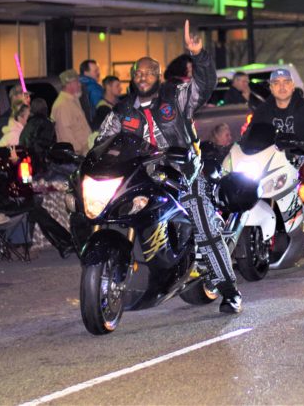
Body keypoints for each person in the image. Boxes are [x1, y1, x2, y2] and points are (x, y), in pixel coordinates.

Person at [96, 21, 241, 313]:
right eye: (138, 72)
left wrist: (199, 56)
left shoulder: (176, 96)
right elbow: (102, 143)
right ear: (132, 77)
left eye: (150, 72)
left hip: (184, 174)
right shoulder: (122, 111)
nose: (144, 76)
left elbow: (204, 85)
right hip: (142, 178)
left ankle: (229, 290)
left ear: (159, 76)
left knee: (204, 227)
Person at [249, 69, 304, 141]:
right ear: (271, 88)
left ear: (292, 86)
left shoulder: (303, 106)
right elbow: (250, 134)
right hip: (270, 152)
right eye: (276, 83)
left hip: (296, 151)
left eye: (286, 82)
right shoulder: (263, 110)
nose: (282, 87)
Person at [51, 70, 90, 155]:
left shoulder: (73, 100)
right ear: (68, 84)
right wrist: (78, 151)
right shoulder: (62, 105)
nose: (79, 85)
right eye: (77, 82)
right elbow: (65, 134)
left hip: (84, 153)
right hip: (75, 157)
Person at [20, 98, 57, 175]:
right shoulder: (46, 124)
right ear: (45, 109)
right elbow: (45, 146)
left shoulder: (28, 125)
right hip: (40, 168)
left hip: (26, 164)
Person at [78, 59, 104, 127]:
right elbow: (102, 109)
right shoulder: (94, 87)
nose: (98, 73)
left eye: (98, 70)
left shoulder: (76, 86)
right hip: (95, 126)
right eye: (95, 71)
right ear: (86, 73)